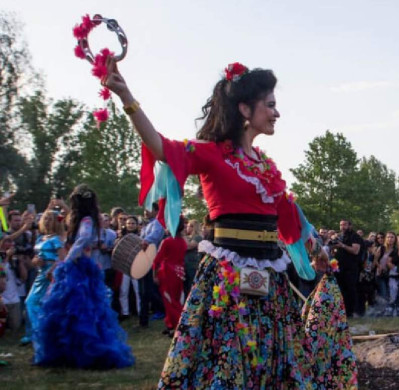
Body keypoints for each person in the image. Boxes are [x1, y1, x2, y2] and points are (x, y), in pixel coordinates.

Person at [105, 59, 356, 387]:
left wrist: (318, 248)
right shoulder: (213, 154)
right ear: (245, 109)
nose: (276, 113)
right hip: (228, 279)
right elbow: (160, 146)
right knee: (228, 361)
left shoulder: (267, 167)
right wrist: (127, 98)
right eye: (270, 105)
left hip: (271, 282)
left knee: (274, 362)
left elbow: (291, 218)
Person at [33, 184, 134, 368]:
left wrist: (69, 259)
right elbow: (65, 223)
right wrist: (59, 206)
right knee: (72, 308)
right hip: (78, 265)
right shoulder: (83, 218)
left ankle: (82, 350)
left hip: (78, 266)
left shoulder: (87, 220)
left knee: (80, 308)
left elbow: (83, 239)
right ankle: (69, 351)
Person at [24, 210, 65, 351]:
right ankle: (39, 333)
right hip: (40, 274)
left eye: (51, 219)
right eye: (45, 218)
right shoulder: (40, 238)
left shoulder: (57, 239)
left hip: (51, 274)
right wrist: (36, 261)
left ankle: (43, 335)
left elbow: (62, 257)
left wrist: (52, 269)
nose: (47, 221)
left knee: (41, 303)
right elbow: (36, 257)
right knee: (32, 302)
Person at [153, 216, 187, 336]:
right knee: (175, 299)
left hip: (168, 273)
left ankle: (178, 325)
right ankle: (170, 324)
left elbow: (157, 260)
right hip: (179, 272)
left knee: (170, 301)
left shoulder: (167, 241)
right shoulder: (183, 242)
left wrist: (155, 275)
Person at [332, 219, 362, 317]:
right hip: (339, 268)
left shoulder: (355, 236)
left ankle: (352, 311)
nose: (342, 227)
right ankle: (342, 311)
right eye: (341, 225)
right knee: (341, 290)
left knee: (350, 289)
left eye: (344, 225)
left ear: (350, 226)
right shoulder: (339, 236)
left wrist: (343, 246)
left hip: (351, 268)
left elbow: (355, 251)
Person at [118, 215, 141, 320]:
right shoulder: (120, 236)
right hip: (124, 265)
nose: (131, 225)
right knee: (123, 290)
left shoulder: (141, 236)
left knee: (138, 290)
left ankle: (140, 310)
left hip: (137, 265)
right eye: (129, 223)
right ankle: (125, 312)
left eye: (133, 223)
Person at [182, 218, 203, 296]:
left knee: (190, 287)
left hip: (192, 265)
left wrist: (183, 235)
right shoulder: (188, 237)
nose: (187, 228)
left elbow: (188, 246)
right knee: (185, 288)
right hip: (185, 265)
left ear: (193, 227)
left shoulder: (198, 237)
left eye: (189, 226)